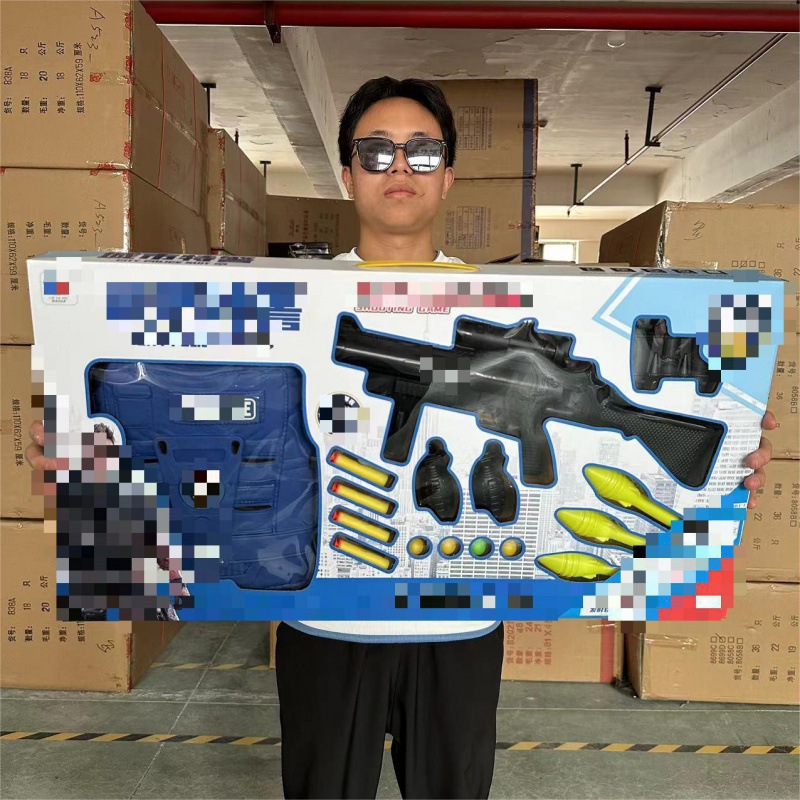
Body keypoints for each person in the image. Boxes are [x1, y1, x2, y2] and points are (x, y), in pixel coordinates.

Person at [27, 77, 777, 800]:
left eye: (422, 151)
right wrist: (83, 458)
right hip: (323, 621)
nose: (399, 167)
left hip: (463, 627)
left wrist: (724, 464)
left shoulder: (518, 303)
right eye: (376, 150)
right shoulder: (290, 306)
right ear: (348, 175)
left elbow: (597, 458)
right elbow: (185, 408)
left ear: (448, 176)